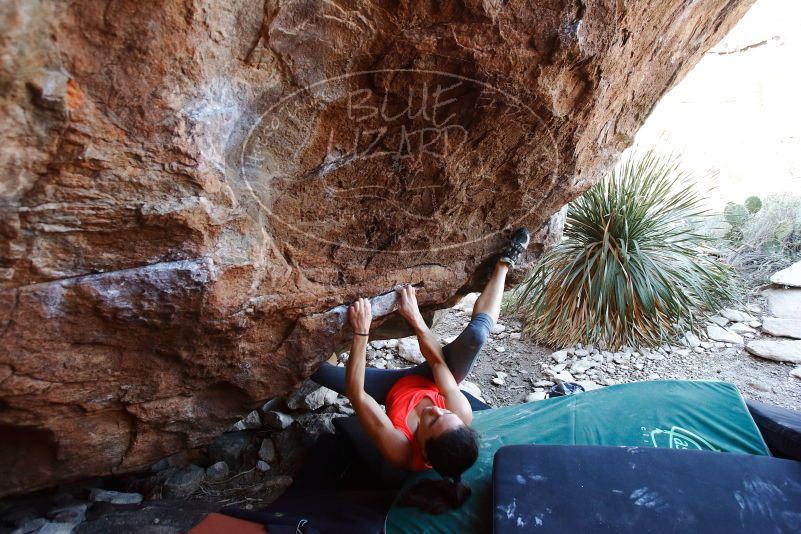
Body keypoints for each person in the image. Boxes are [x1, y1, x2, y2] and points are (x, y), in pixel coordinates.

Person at [311, 228, 531, 513]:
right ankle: (505, 264)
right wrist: (415, 319)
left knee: (317, 372)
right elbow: (439, 363)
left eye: (432, 420)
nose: (438, 409)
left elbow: (357, 393)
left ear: (423, 447)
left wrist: (361, 333)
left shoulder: (401, 449)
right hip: (430, 375)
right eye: (445, 413)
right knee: (476, 337)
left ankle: (336, 355)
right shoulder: (460, 413)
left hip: (392, 389)